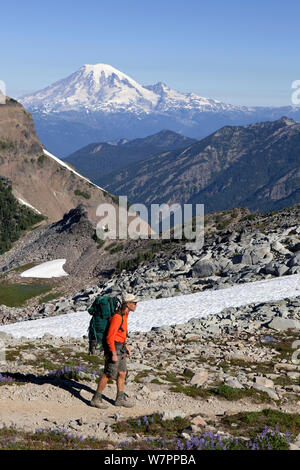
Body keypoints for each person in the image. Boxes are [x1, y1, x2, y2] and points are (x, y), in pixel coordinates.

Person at [90, 293, 138, 408]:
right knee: (108, 373)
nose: (136, 305)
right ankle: (96, 398)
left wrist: (125, 345)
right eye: (134, 303)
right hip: (114, 347)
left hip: (120, 346)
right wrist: (113, 353)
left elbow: (121, 332)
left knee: (122, 373)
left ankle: (120, 399)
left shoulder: (125, 315)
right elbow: (109, 337)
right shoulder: (117, 317)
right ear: (127, 304)